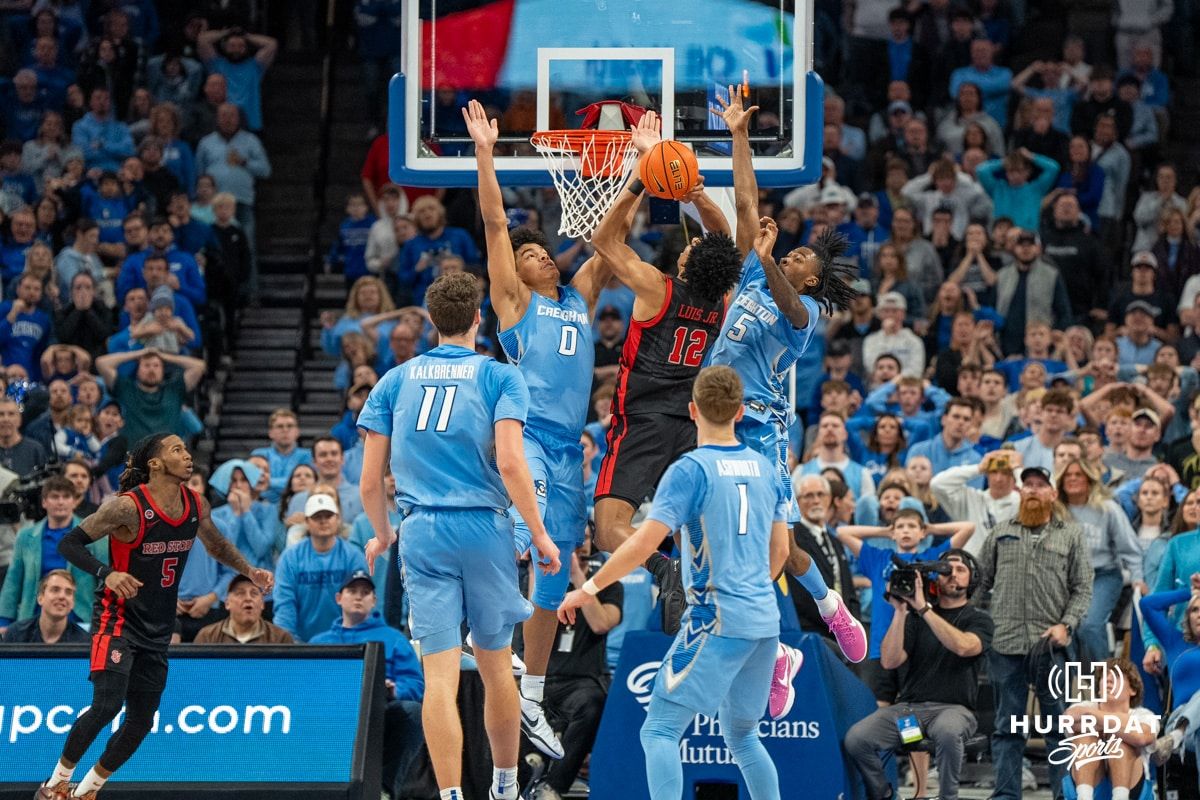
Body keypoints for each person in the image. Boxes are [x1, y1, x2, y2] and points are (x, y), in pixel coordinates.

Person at [358, 272, 562, 800]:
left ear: (430, 322)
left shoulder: (394, 380)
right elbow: (514, 465)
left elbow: (369, 480)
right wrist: (539, 534)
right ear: (479, 318)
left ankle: (450, 795)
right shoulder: (500, 377)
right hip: (485, 527)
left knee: (440, 677)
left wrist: (381, 535)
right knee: (496, 667)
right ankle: (505, 785)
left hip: (422, 531)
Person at [464, 98, 625, 759]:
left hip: (570, 447)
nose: (539, 256)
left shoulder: (579, 298)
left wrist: (639, 172)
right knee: (521, 534)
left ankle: (530, 692)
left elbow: (611, 241)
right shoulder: (514, 302)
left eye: (541, 250)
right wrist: (484, 151)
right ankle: (476, 626)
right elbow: (497, 222)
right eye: (530, 253)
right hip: (524, 432)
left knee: (556, 568)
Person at [558, 365, 791, 800]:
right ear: (741, 412)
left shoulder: (690, 469)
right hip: (764, 620)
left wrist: (587, 587)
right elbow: (779, 553)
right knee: (743, 737)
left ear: (692, 411)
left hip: (716, 618)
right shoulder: (765, 467)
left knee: (659, 730)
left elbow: (640, 543)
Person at [703, 89, 866, 670]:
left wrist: (771, 259)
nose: (793, 255)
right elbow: (747, 205)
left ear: (814, 281)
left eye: (802, 259)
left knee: (779, 546)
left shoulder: (805, 315)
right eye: (790, 254)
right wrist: (738, 135)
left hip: (764, 429)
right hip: (716, 423)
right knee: (731, 549)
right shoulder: (753, 273)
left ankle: (830, 608)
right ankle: (775, 654)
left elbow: (785, 296)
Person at [36, 433, 272, 800]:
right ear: (156, 464)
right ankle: (55, 785)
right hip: (118, 618)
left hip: (158, 626)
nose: (187, 455)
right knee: (107, 704)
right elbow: (70, 543)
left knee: (141, 722)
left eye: (186, 448)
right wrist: (107, 573)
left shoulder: (196, 503)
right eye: (177, 449)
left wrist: (249, 571)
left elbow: (217, 544)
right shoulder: (126, 507)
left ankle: (87, 790)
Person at [587, 118, 740, 634]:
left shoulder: (658, 288)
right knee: (689, 519)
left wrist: (640, 176)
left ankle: (663, 568)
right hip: (693, 426)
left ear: (691, 259)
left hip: (643, 418)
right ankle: (691, 573)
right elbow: (726, 243)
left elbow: (604, 240)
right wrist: (694, 192)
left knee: (609, 527)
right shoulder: (722, 302)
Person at [978, 465, 1094, 800]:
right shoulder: (1000, 532)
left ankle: (1063, 795)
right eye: (1027, 485)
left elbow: (1083, 587)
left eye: (1040, 485)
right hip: (1005, 642)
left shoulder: (1070, 535)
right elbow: (981, 582)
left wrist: (1066, 624)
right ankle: (1006, 795)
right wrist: (973, 628)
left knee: (1059, 725)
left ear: (1052, 494)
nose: (1032, 490)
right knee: (1007, 726)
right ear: (1018, 491)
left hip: (1051, 644)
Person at [843, 549, 993, 800]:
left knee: (946, 731)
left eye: (960, 570)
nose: (952, 575)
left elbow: (964, 646)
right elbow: (890, 661)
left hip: (954, 710)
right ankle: (884, 793)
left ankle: (948, 796)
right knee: (857, 739)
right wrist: (901, 612)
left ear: (973, 580)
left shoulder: (978, 619)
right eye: (946, 570)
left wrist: (924, 609)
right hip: (909, 711)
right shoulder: (915, 617)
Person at [311, 570, 424, 797]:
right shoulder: (319, 642)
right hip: (328, 713)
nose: (358, 597)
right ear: (339, 598)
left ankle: (383, 789)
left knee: (413, 712)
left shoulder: (394, 639)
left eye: (365, 592)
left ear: (374, 600)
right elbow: (303, 687)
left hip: (379, 712)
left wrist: (394, 690)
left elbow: (417, 685)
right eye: (352, 591)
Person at [272, 494, 368, 643]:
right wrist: (289, 644)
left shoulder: (353, 557)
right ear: (307, 522)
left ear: (338, 519)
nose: (323, 521)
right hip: (301, 645)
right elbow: (285, 603)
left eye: (328, 516)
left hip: (346, 644)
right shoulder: (290, 558)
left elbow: (360, 604)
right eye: (317, 517)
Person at [1061, 657, 1158, 800]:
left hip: (1133, 791)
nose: (1108, 680)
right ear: (1099, 690)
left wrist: (1091, 716)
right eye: (1104, 677)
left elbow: (1141, 738)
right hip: (1089, 786)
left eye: (1117, 676)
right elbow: (1068, 719)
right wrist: (1121, 723)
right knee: (1085, 737)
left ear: (1132, 690)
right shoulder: (1084, 706)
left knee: (1121, 742)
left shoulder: (1144, 715)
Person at [0, 476, 90, 629]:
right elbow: (13, 580)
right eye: (55, 497)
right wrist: (4, 621)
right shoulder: (25, 536)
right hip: (32, 619)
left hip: (81, 619)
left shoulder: (91, 534)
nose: (60, 502)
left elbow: (103, 580)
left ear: (74, 502)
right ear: (44, 502)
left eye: (66, 496)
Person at [95, 348, 207, 445]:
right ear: (138, 369)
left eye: (156, 365)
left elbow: (199, 366)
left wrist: (163, 356)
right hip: (134, 458)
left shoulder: (174, 389)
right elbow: (101, 363)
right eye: (146, 365)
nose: (152, 370)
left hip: (166, 459)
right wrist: (139, 354)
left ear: (163, 370)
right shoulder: (125, 388)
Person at [193, 573, 293, 644]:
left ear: (262, 603)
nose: (248, 598)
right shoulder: (207, 636)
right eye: (240, 593)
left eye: (254, 593)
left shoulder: (281, 638)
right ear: (227, 603)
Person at [0, 569, 90, 644]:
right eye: (55, 590)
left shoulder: (84, 641)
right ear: (40, 598)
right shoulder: (16, 634)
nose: (62, 596)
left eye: (68, 592)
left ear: (73, 603)